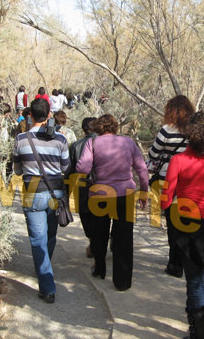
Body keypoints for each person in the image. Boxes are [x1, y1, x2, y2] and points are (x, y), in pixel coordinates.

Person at [160, 112, 204, 339]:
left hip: (187, 224)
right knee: (202, 271)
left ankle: (199, 333)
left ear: (189, 133)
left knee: (194, 278)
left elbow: (165, 199)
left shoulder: (178, 161)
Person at [76, 114, 149, 291]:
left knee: (99, 234)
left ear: (98, 127)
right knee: (124, 238)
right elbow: (142, 168)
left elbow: (83, 168)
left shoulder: (92, 143)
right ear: (115, 127)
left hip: (99, 194)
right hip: (125, 194)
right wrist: (144, 191)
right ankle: (122, 282)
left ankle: (100, 269)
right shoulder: (128, 142)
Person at [12, 98, 70, 304]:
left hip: (32, 194)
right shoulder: (60, 139)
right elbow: (65, 168)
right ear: (49, 116)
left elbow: (17, 170)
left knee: (38, 239)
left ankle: (47, 287)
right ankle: (45, 268)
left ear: (30, 115)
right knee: (50, 235)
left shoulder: (20, 139)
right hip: (55, 194)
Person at [147, 94, 195, 278]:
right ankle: (185, 258)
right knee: (186, 220)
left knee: (172, 220)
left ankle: (175, 263)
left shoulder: (167, 130)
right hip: (190, 179)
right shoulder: (194, 130)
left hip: (168, 179)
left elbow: (153, 154)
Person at [65, 117, 97, 258]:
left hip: (82, 187)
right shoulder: (106, 144)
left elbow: (69, 171)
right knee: (101, 216)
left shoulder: (76, 146)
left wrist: (66, 192)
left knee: (85, 215)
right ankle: (97, 242)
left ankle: (93, 242)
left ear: (84, 130)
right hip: (103, 186)